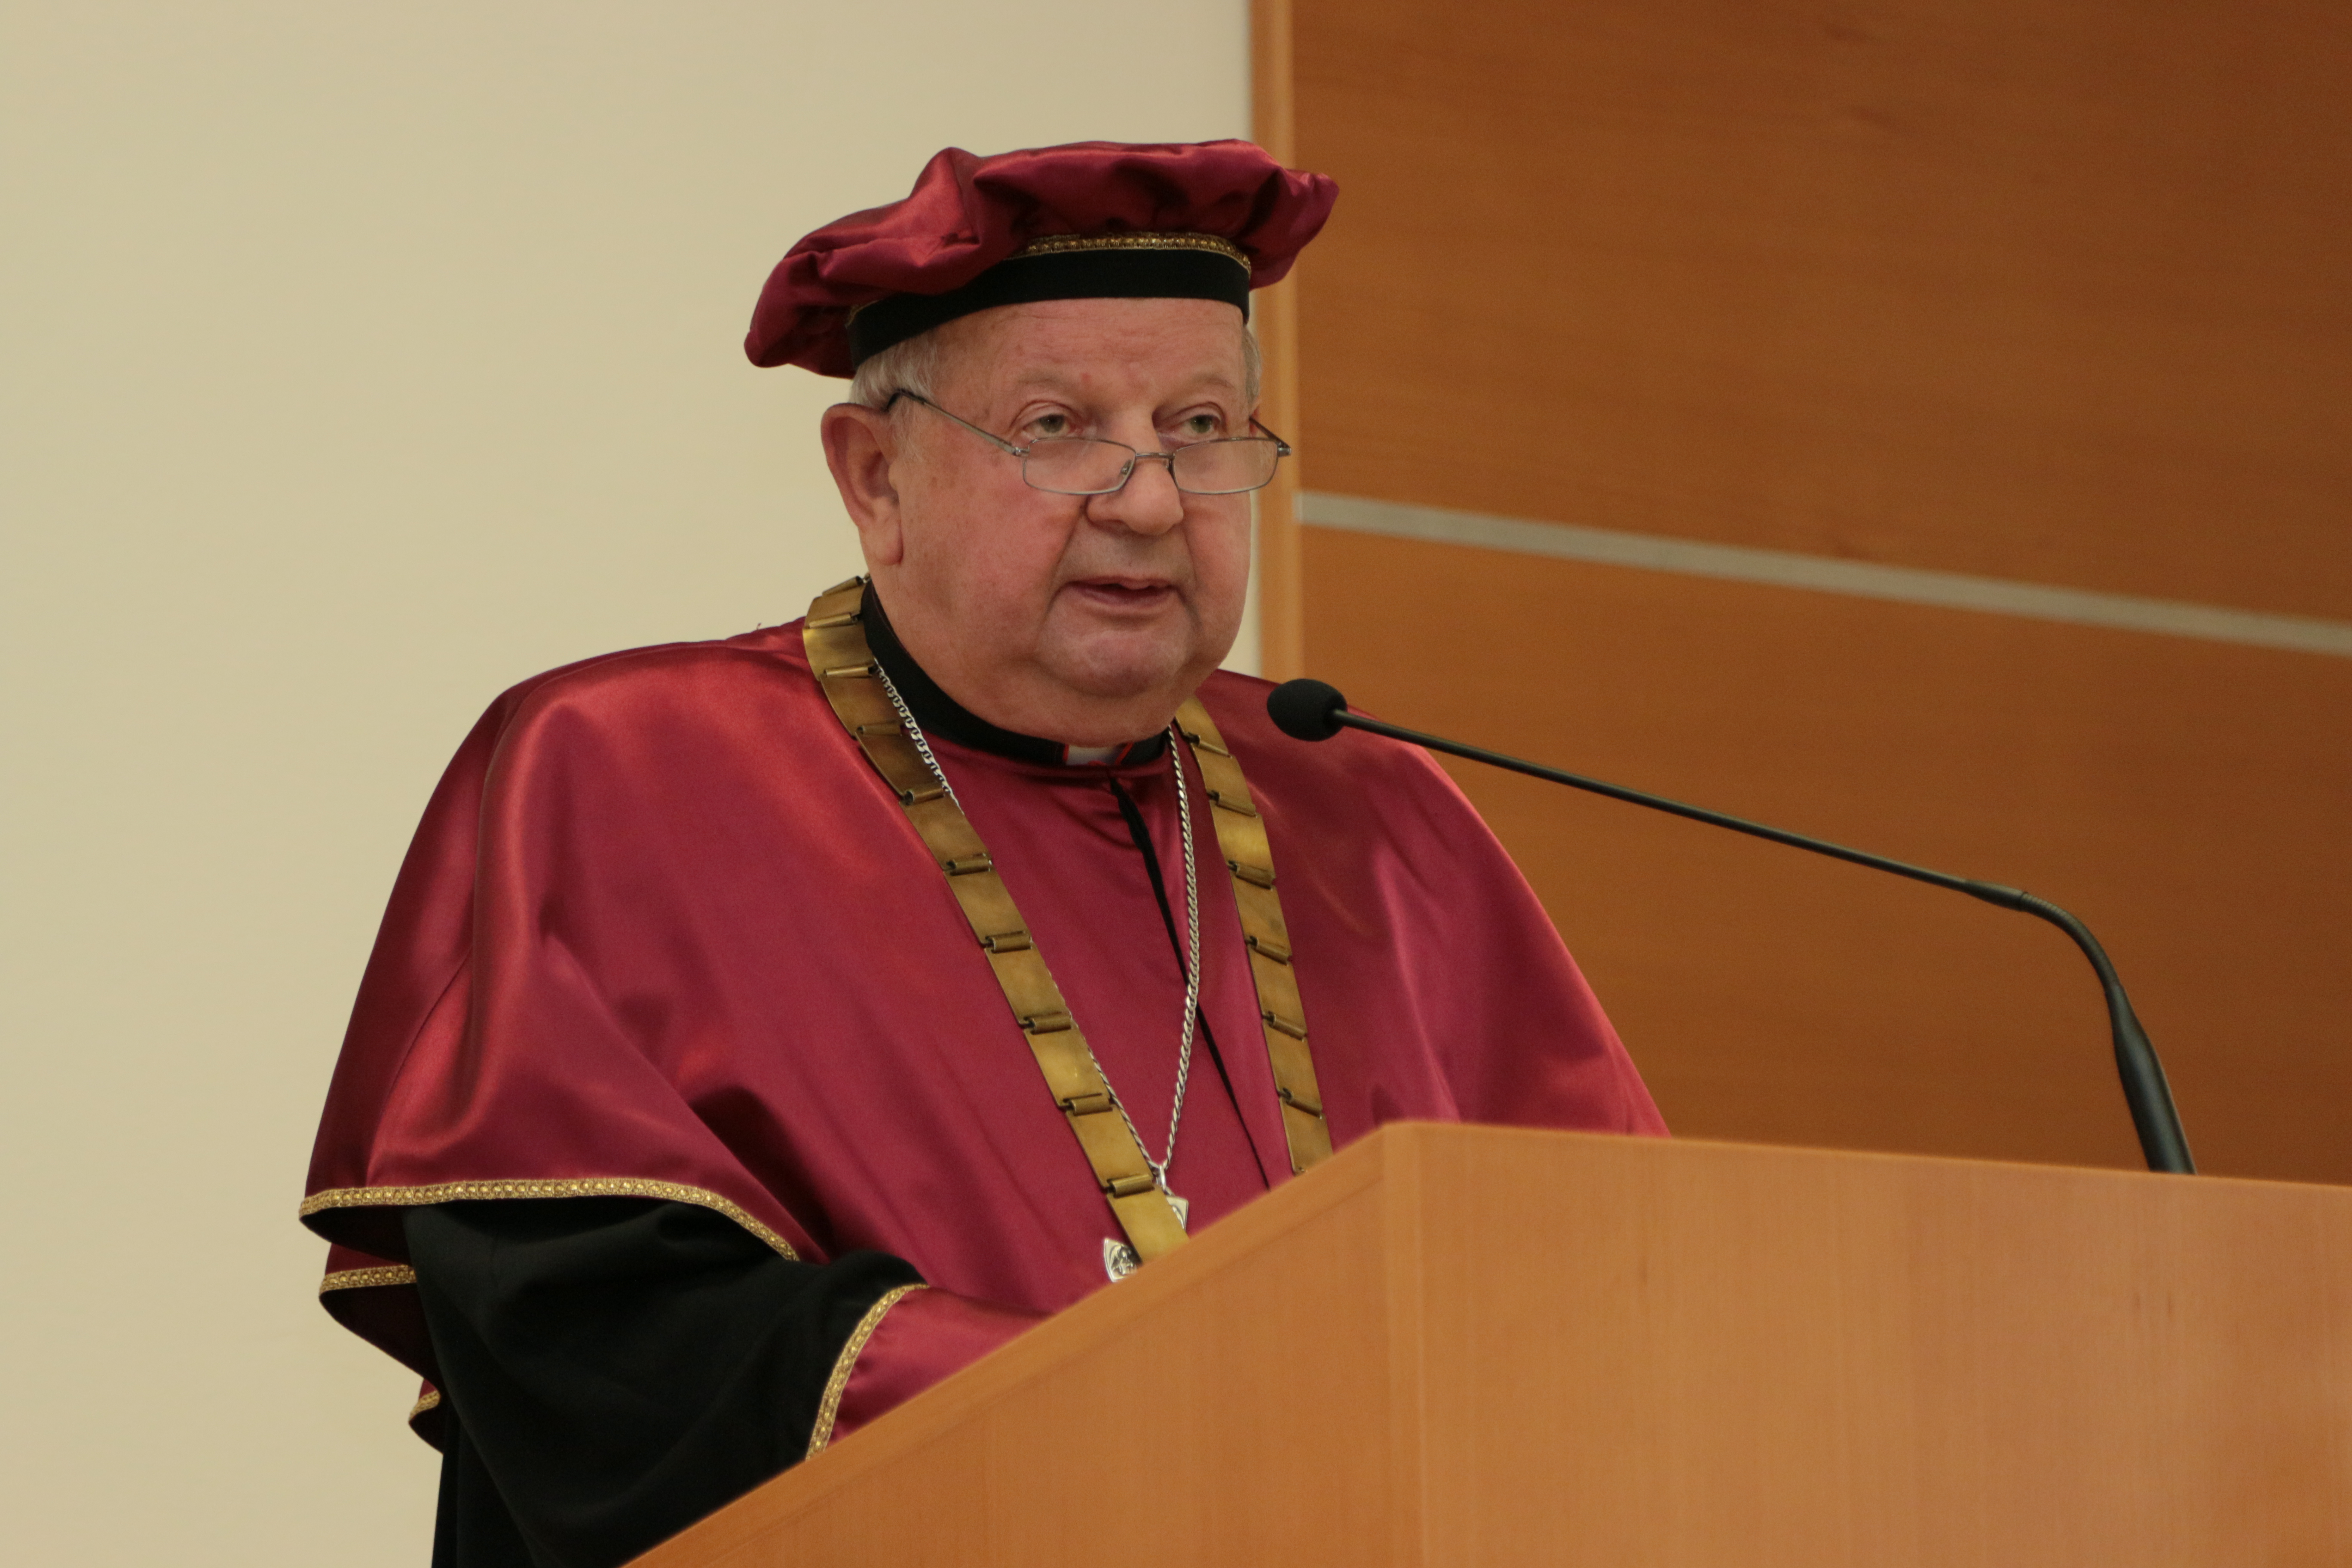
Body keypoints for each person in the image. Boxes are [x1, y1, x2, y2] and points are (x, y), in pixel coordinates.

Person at [301, 139, 1665, 1568]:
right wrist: (1138, 1408)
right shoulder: (625, 770)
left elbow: (1601, 1295)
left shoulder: (1376, 820)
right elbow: (602, 1342)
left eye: (1202, 426)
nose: (1151, 500)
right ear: (876, 476)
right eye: (1059, 426)